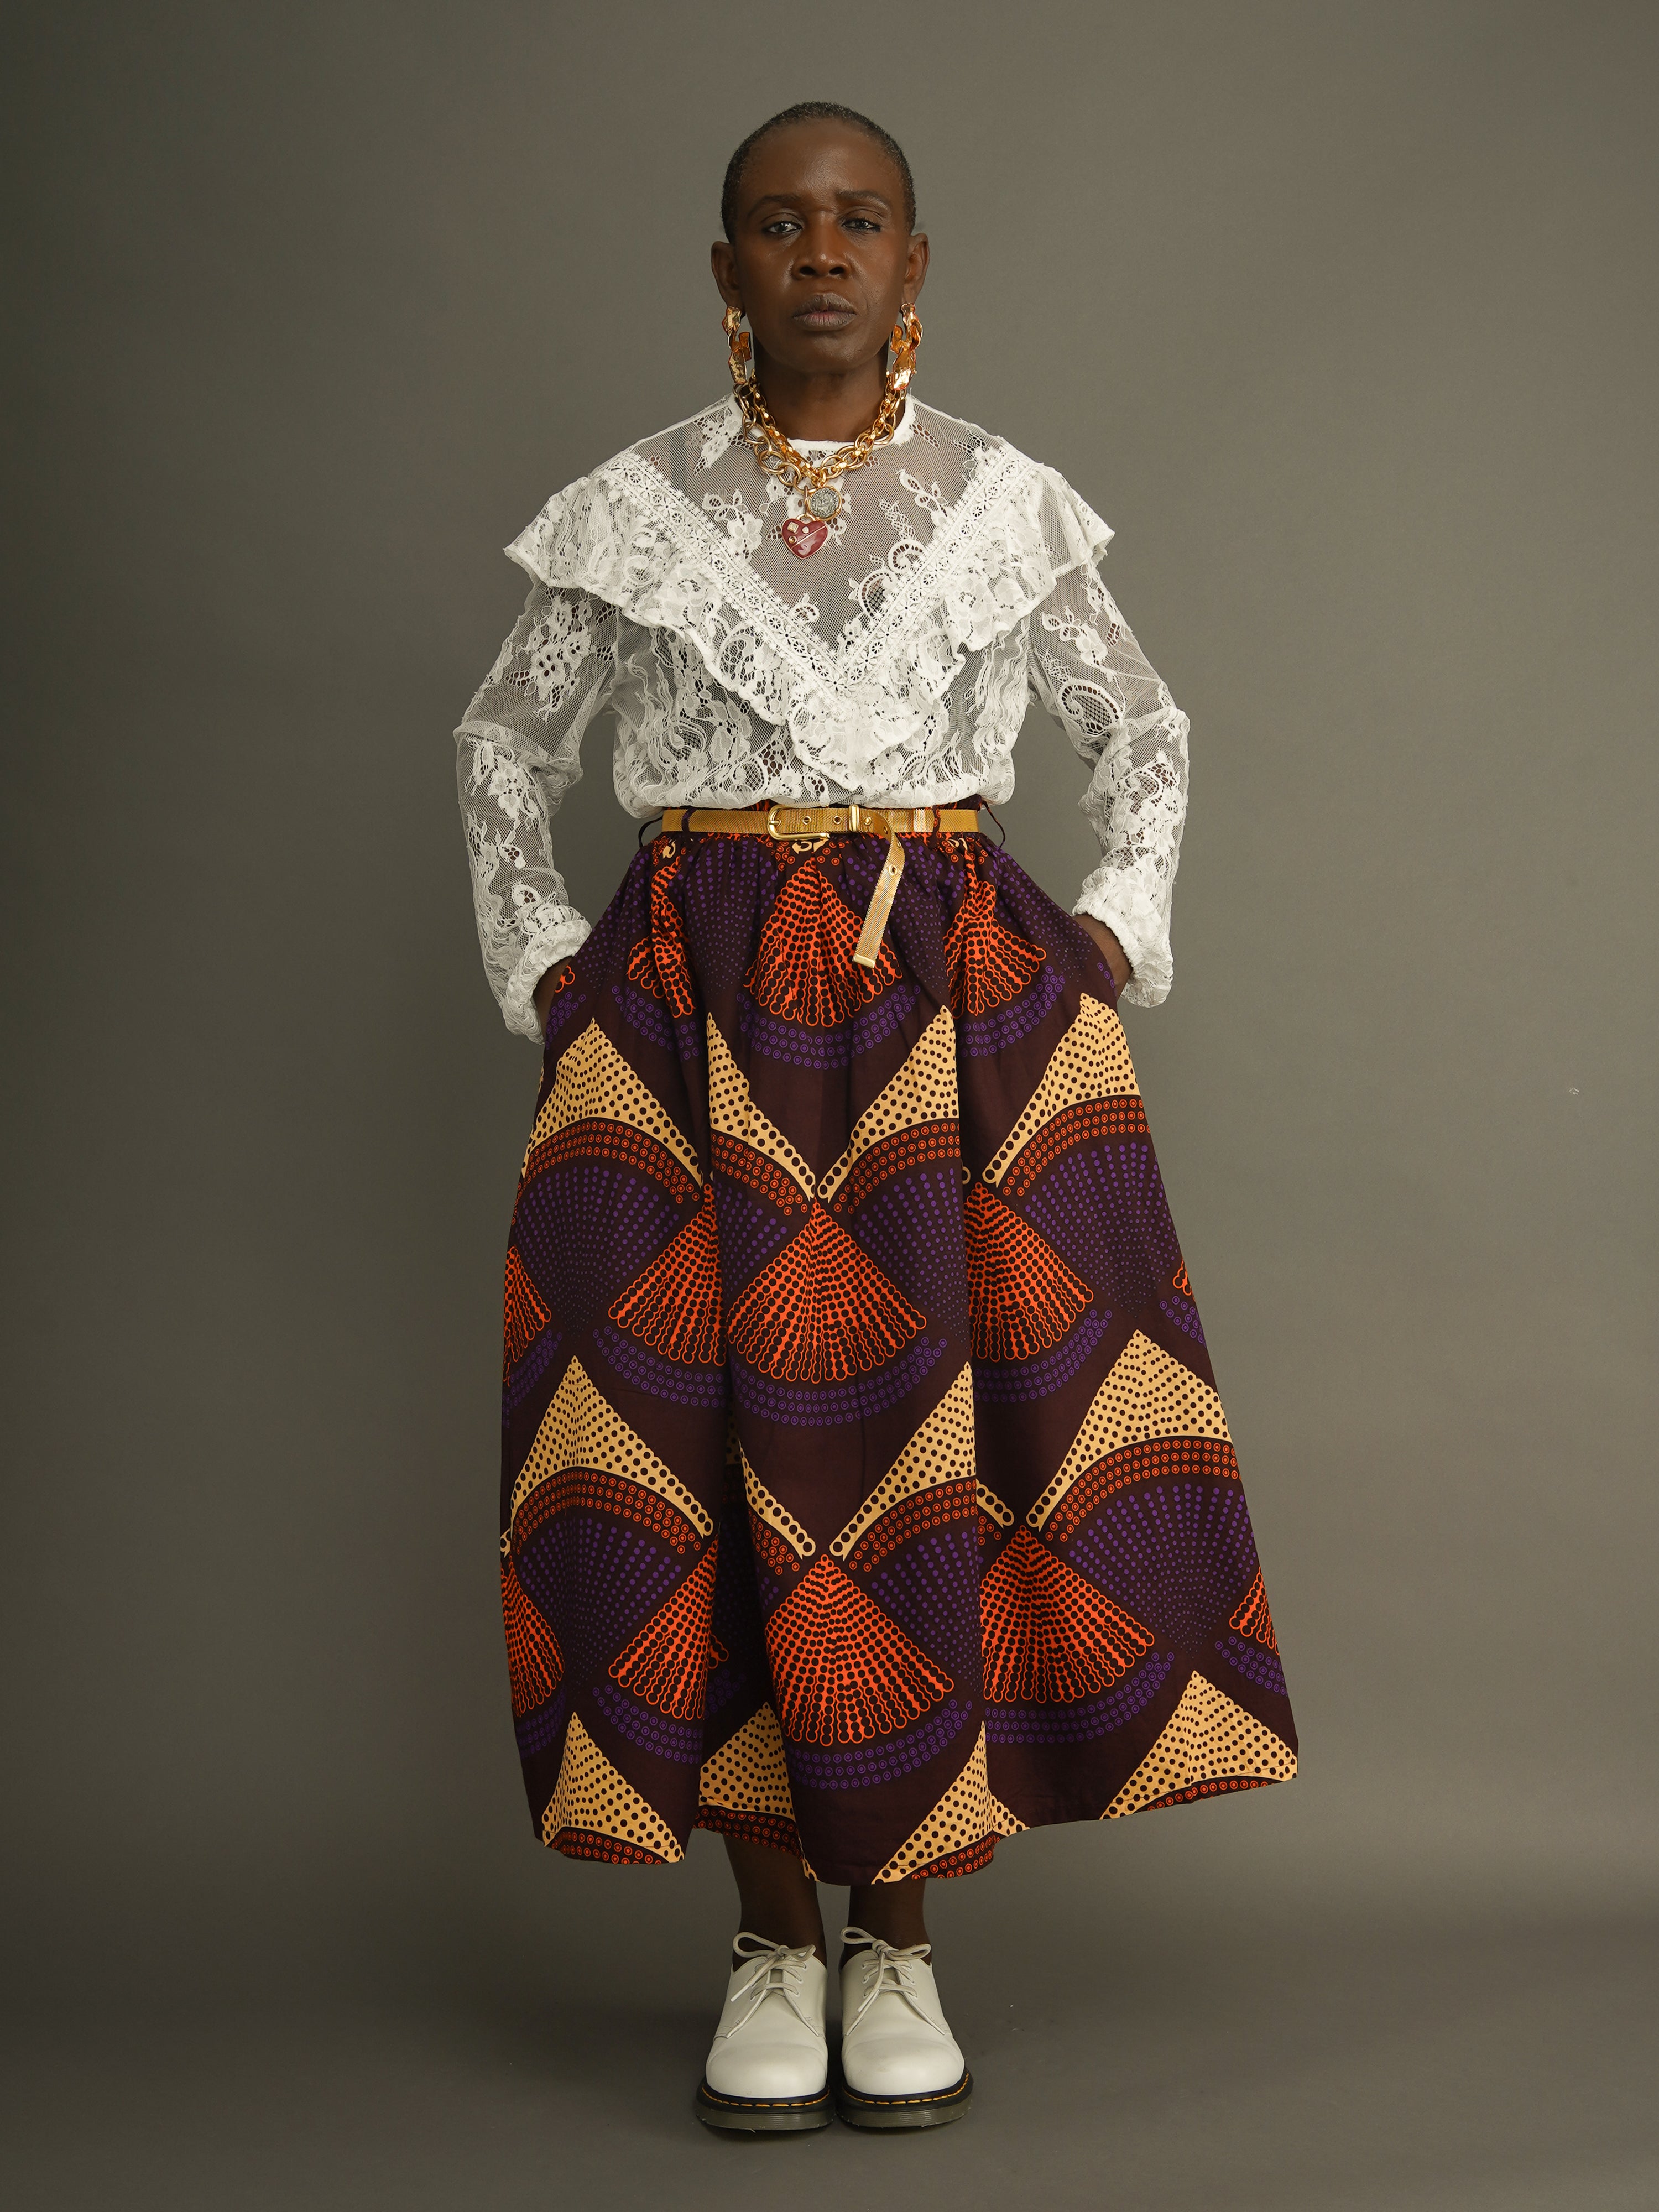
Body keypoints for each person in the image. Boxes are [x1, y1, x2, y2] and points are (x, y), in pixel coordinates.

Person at [456, 101, 1297, 2135]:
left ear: (915, 267)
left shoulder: (1006, 505)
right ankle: (770, 1940)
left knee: (931, 1436)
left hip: (948, 1016)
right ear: (725, 272)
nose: (818, 251)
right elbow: (503, 741)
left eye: (859, 222)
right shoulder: (633, 510)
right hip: (690, 1013)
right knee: (702, 1443)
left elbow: (1142, 729)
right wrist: (549, 964)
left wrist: (1107, 931)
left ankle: (899, 1940)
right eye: (777, 222)